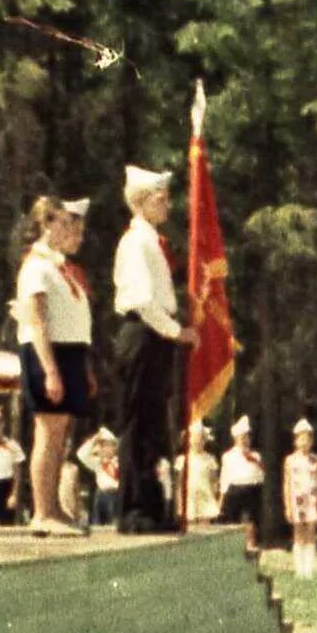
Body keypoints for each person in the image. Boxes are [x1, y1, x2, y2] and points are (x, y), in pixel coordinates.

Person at [113, 164, 193, 533]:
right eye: (162, 198)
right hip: (143, 333)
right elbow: (144, 300)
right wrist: (177, 332)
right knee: (137, 424)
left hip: (155, 335)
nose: (169, 205)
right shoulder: (136, 243)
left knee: (152, 424)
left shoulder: (152, 242)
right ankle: (133, 508)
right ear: (142, 202)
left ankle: (150, 502)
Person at [12, 195, 93, 535]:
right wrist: (50, 370)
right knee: (47, 432)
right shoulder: (36, 267)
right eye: (64, 223)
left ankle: (55, 507)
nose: (71, 229)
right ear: (46, 223)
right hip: (48, 354)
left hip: (69, 352)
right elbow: (37, 321)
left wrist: (83, 368)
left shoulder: (61, 267)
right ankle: (42, 511)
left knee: (60, 434)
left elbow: (75, 320)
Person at [283, 417, 317, 577]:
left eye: (308, 438)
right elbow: (287, 483)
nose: (304, 442)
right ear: (296, 441)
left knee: (311, 533)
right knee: (298, 533)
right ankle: (299, 570)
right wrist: (287, 505)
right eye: (301, 438)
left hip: (312, 501)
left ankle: (309, 570)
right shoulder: (290, 460)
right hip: (296, 502)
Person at [218, 416, 266, 551]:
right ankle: (232, 546)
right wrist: (221, 496)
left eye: (247, 437)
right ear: (236, 439)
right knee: (233, 520)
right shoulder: (228, 456)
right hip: (235, 489)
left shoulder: (255, 456)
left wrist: (255, 462)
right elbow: (225, 477)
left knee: (251, 520)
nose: (245, 440)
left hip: (252, 489)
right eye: (242, 437)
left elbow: (261, 475)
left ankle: (251, 545)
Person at [79, 426, 123, 530]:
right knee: (98, 525)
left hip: (116, 494)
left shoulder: (120, 461)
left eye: (109, 445)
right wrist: (94, 440)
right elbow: (81, 455)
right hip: (101, 494)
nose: (106, 448)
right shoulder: (98, 463)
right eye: (103, 445)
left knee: (115, 524)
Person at [182, 422, 222, 526]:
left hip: (205, 495)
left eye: (200, 439)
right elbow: (180, 482)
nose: (197, 442)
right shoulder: (183, 459)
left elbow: (214, 480)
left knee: (205, 525)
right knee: (189, 525)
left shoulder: (210, 459)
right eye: (195, 438)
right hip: (189, 496)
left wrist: (215, 495)